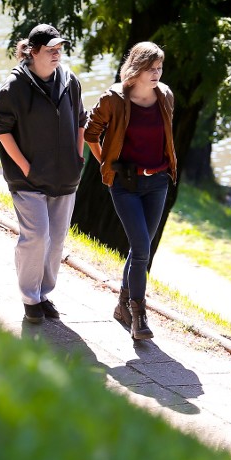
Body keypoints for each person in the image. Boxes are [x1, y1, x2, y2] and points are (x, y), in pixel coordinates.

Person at [0, 24, 87, 323]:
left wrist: (77, 156)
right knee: (36, 237)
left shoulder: (70, 81)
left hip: (64, 176)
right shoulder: (15, 87)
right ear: (33, 52)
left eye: (59, 49)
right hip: (28, 179)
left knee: (56, 239)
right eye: (50, 50)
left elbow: (81, 121)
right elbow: (2, 129)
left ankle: (44, 293)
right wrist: (24, 166)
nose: (57, 54)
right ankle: (29, 298)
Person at [84, 42, 176, 340]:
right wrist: (107, 165)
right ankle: (139, 316)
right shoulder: (114, 98)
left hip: (158, 182)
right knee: (141, 249)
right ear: (136, 69)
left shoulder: (165, 96)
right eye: (151, 69)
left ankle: (123, 305)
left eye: (160, 68)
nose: (157, 74)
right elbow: (91, 134)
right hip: (126, 185)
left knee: (141, 250)